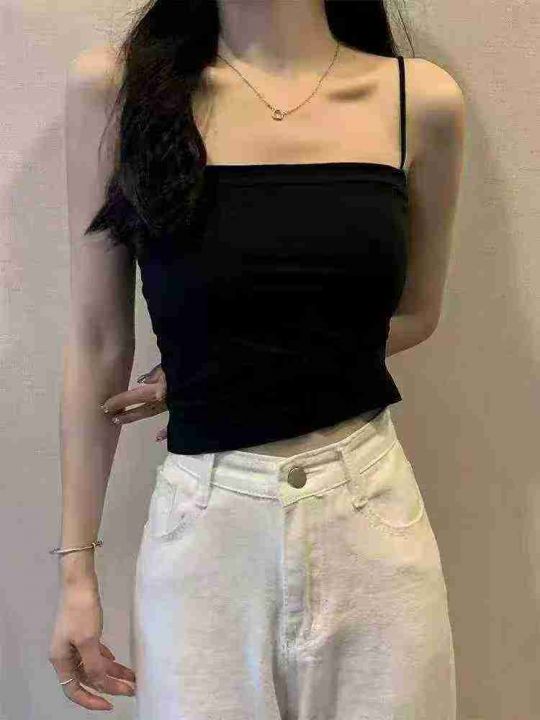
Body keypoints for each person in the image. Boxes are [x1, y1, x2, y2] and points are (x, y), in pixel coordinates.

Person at [48, 0, 465, 717]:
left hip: (369, 516)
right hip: (206, 532)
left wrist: (235, 368)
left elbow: (416, 316)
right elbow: (97, 343)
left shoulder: (418, 101)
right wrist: (76, 574)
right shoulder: (118, 90)